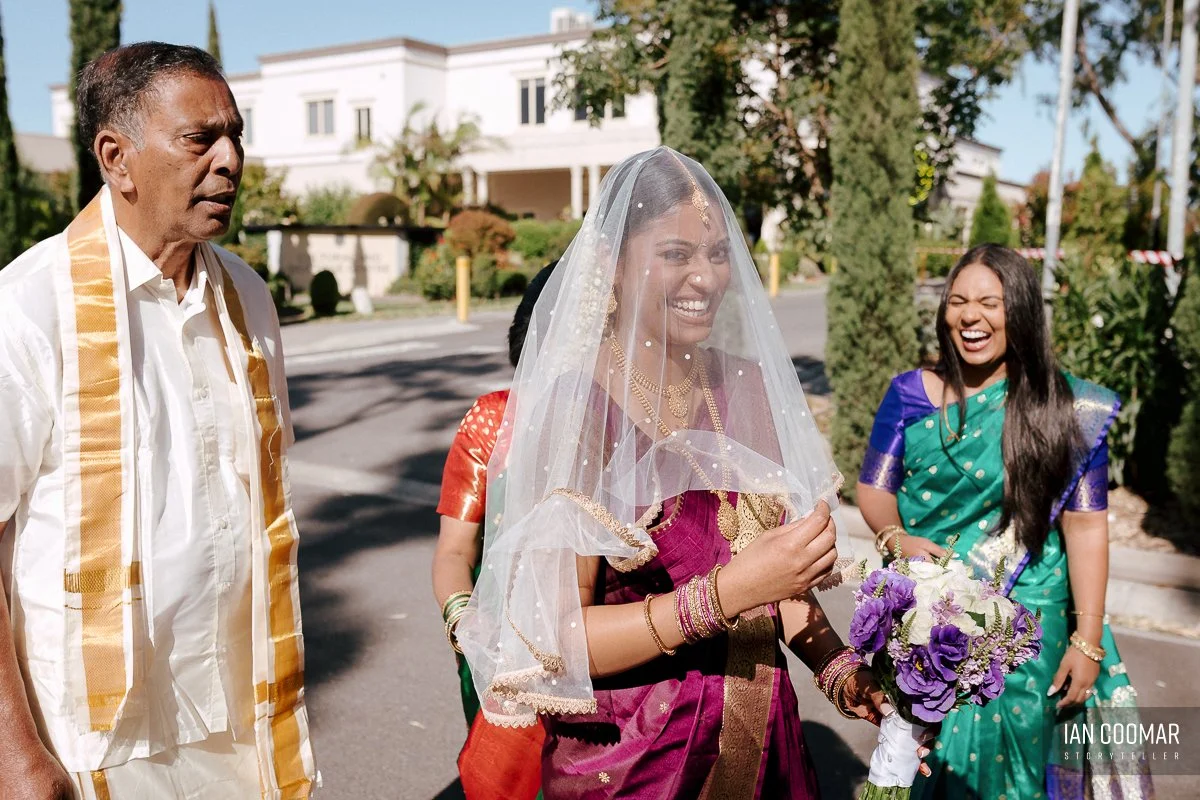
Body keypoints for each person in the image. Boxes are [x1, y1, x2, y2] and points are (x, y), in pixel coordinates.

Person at [456, 147, 924, 798]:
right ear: (613, 267)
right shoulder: (575, 408)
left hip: (765, 750)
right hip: (634, 763)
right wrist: (726, 593)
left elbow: (779, 582)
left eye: (717, 253)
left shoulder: (746, 386)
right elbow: (554, 636)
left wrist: (843, 672)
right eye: (675, 254)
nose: (704, 277)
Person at [0, 43, 316, 799]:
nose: (231, 160)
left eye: (236, 136)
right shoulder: (29, 307)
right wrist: (15, 757)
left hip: (248, 718)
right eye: (200, 138)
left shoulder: (248, 299)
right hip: (100, 738)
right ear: (117, 157)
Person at [856, 244, 1153, 799]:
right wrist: (896, 537)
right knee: (920, 763)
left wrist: (1087, 640)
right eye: (958, 302)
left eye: (989, 302)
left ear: (1018, 312)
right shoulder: (908, 395)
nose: (971, 317)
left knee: (1022, 775)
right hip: (930, 619)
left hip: (1028, 631)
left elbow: (1086, 527)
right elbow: (874, 487)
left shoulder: (1062, 409)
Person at [433, 261, 558, 800]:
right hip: (504, 659)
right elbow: (455, 552)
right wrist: (468, 627)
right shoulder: (494, 420)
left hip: (621, 653)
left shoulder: (628, 427)